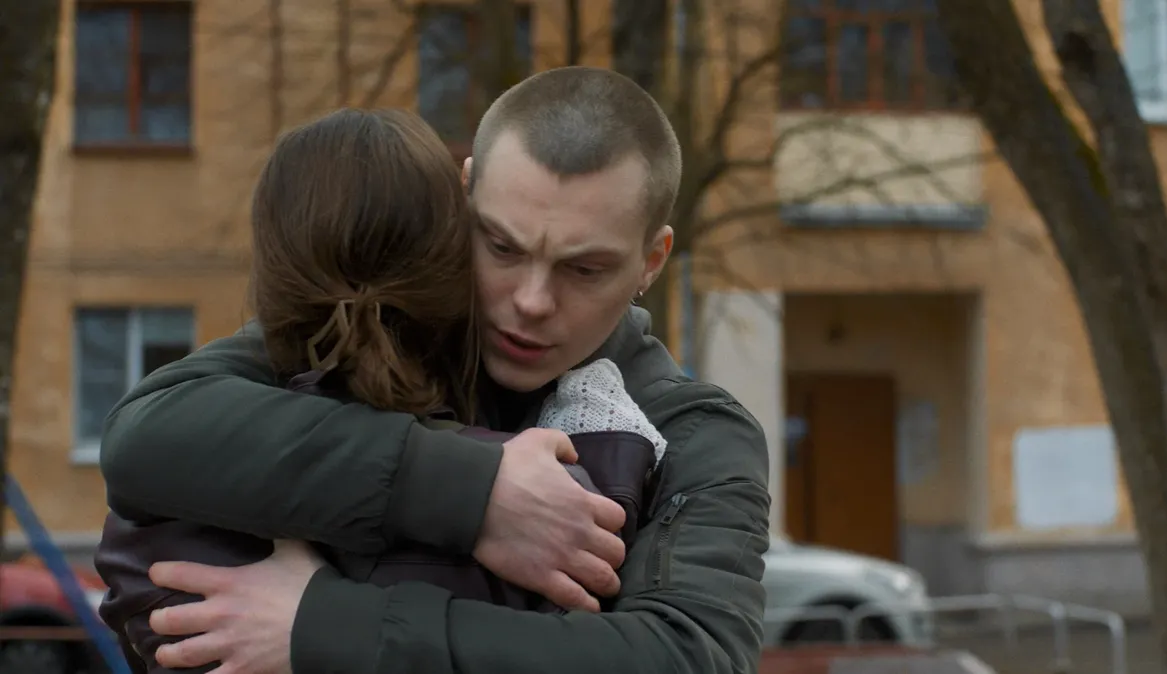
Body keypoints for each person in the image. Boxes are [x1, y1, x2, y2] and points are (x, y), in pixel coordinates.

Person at [100, 66, 770, 674]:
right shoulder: (377, 330)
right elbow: (147, 437)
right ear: (464, 194)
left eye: (584, 269)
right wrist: (471, 492)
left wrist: (324, 625)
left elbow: (692, 655)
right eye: (501, 247)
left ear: (652, 261)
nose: (532, 302)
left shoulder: (695, 431)